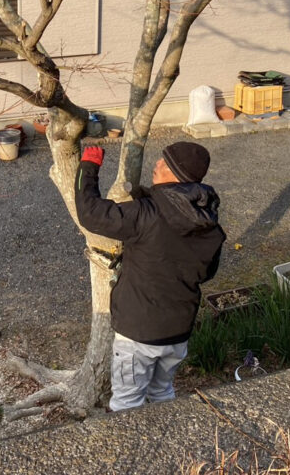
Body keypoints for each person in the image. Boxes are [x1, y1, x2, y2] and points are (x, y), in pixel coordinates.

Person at [75, 141, 226, 412]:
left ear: (178, 176)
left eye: (164, 164)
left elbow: (90, 213)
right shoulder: (209, 222)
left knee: (126, 403)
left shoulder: (146, 214)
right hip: (178, 334)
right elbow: (206, 273)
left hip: (138, 336)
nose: (156, 165)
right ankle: (166, 444)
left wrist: (88, 167)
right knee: (162, 391)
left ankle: (136, 453)